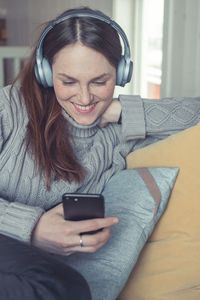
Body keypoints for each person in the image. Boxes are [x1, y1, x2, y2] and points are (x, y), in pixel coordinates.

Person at [1, 6, 200, 300]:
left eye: (99, 81)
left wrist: (121, 109)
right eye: (68, 81)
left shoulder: (118, 134)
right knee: (62, 287)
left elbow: (193, 113)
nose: (84, 98)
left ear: (121, 73)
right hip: (26, 265)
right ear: (45, 72)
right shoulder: (8, 109)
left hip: (30, 277)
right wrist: (34, 228)